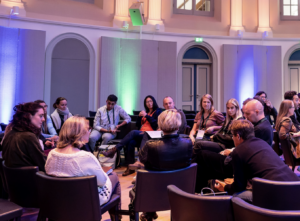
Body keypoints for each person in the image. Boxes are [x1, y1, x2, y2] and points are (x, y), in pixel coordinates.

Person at [45, 116, 121, 220]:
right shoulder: (85, 156)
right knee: (113, 176)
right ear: (78, 132)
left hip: (57, 202)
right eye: (88, 129)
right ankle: (116, 217)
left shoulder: (51, 154)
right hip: (83, 203)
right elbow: (102, 181)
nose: (90, 131)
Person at [192, 99, 274, 193]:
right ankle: (202, 191)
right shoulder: (264, 124)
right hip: (241, 162)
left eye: (247, 114)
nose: (245, 117)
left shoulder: (259, 129)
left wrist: (231, 152)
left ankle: (197, 191)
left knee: (201, 156)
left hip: (237, 165)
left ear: (257, 112)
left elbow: (244, 151)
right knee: (202, 158)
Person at [214, 119, 299, 203]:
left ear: (238, 136)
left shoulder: (238, 151)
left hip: (278, 195)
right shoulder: (262, 142)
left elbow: (239, 187)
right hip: (295, 187)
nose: (232, 138)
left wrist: (225, 187)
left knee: (236, 196)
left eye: (233, 135)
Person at [132, 109, 193, 221]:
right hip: (182, 191)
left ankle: (149, 213)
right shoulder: (188, 143)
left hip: (154, 193)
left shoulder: (151, 145)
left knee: (146, 173)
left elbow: (142, 159)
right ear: (178, 124)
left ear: (160, 125)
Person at [102, 95, 162, 176]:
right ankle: (130, 167)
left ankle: (114, 150)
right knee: (130, 143)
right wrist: (139, 117)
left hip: (150, 135)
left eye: (150, 101)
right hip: (141, 134)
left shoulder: (158, 111)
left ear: (154, 101)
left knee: (133, 132)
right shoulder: (146, 112)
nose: (149, 103)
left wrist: (146, 116)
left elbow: (156, 124)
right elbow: (138, 125)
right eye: (147, 102)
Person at [2, 102, 47, 171]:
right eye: (40, 116)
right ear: (29, 116)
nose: (43, 119)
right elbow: (44, 165)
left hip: (14, 179)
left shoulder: (10, 133)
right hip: (29, 180)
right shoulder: (28, 136)